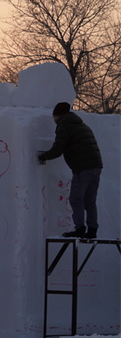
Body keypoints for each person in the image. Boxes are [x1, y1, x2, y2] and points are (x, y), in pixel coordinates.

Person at [38, 102, 103, 239]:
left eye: (54, 117)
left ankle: (79, 228)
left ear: (58, 115)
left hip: (83, 167)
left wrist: (43, 156)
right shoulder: (81, 125)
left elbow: (58, 148)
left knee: (75, 198)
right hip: (96, 166)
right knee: (89, 200)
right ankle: (92, 230)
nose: (54, 120)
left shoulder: (65, 126)